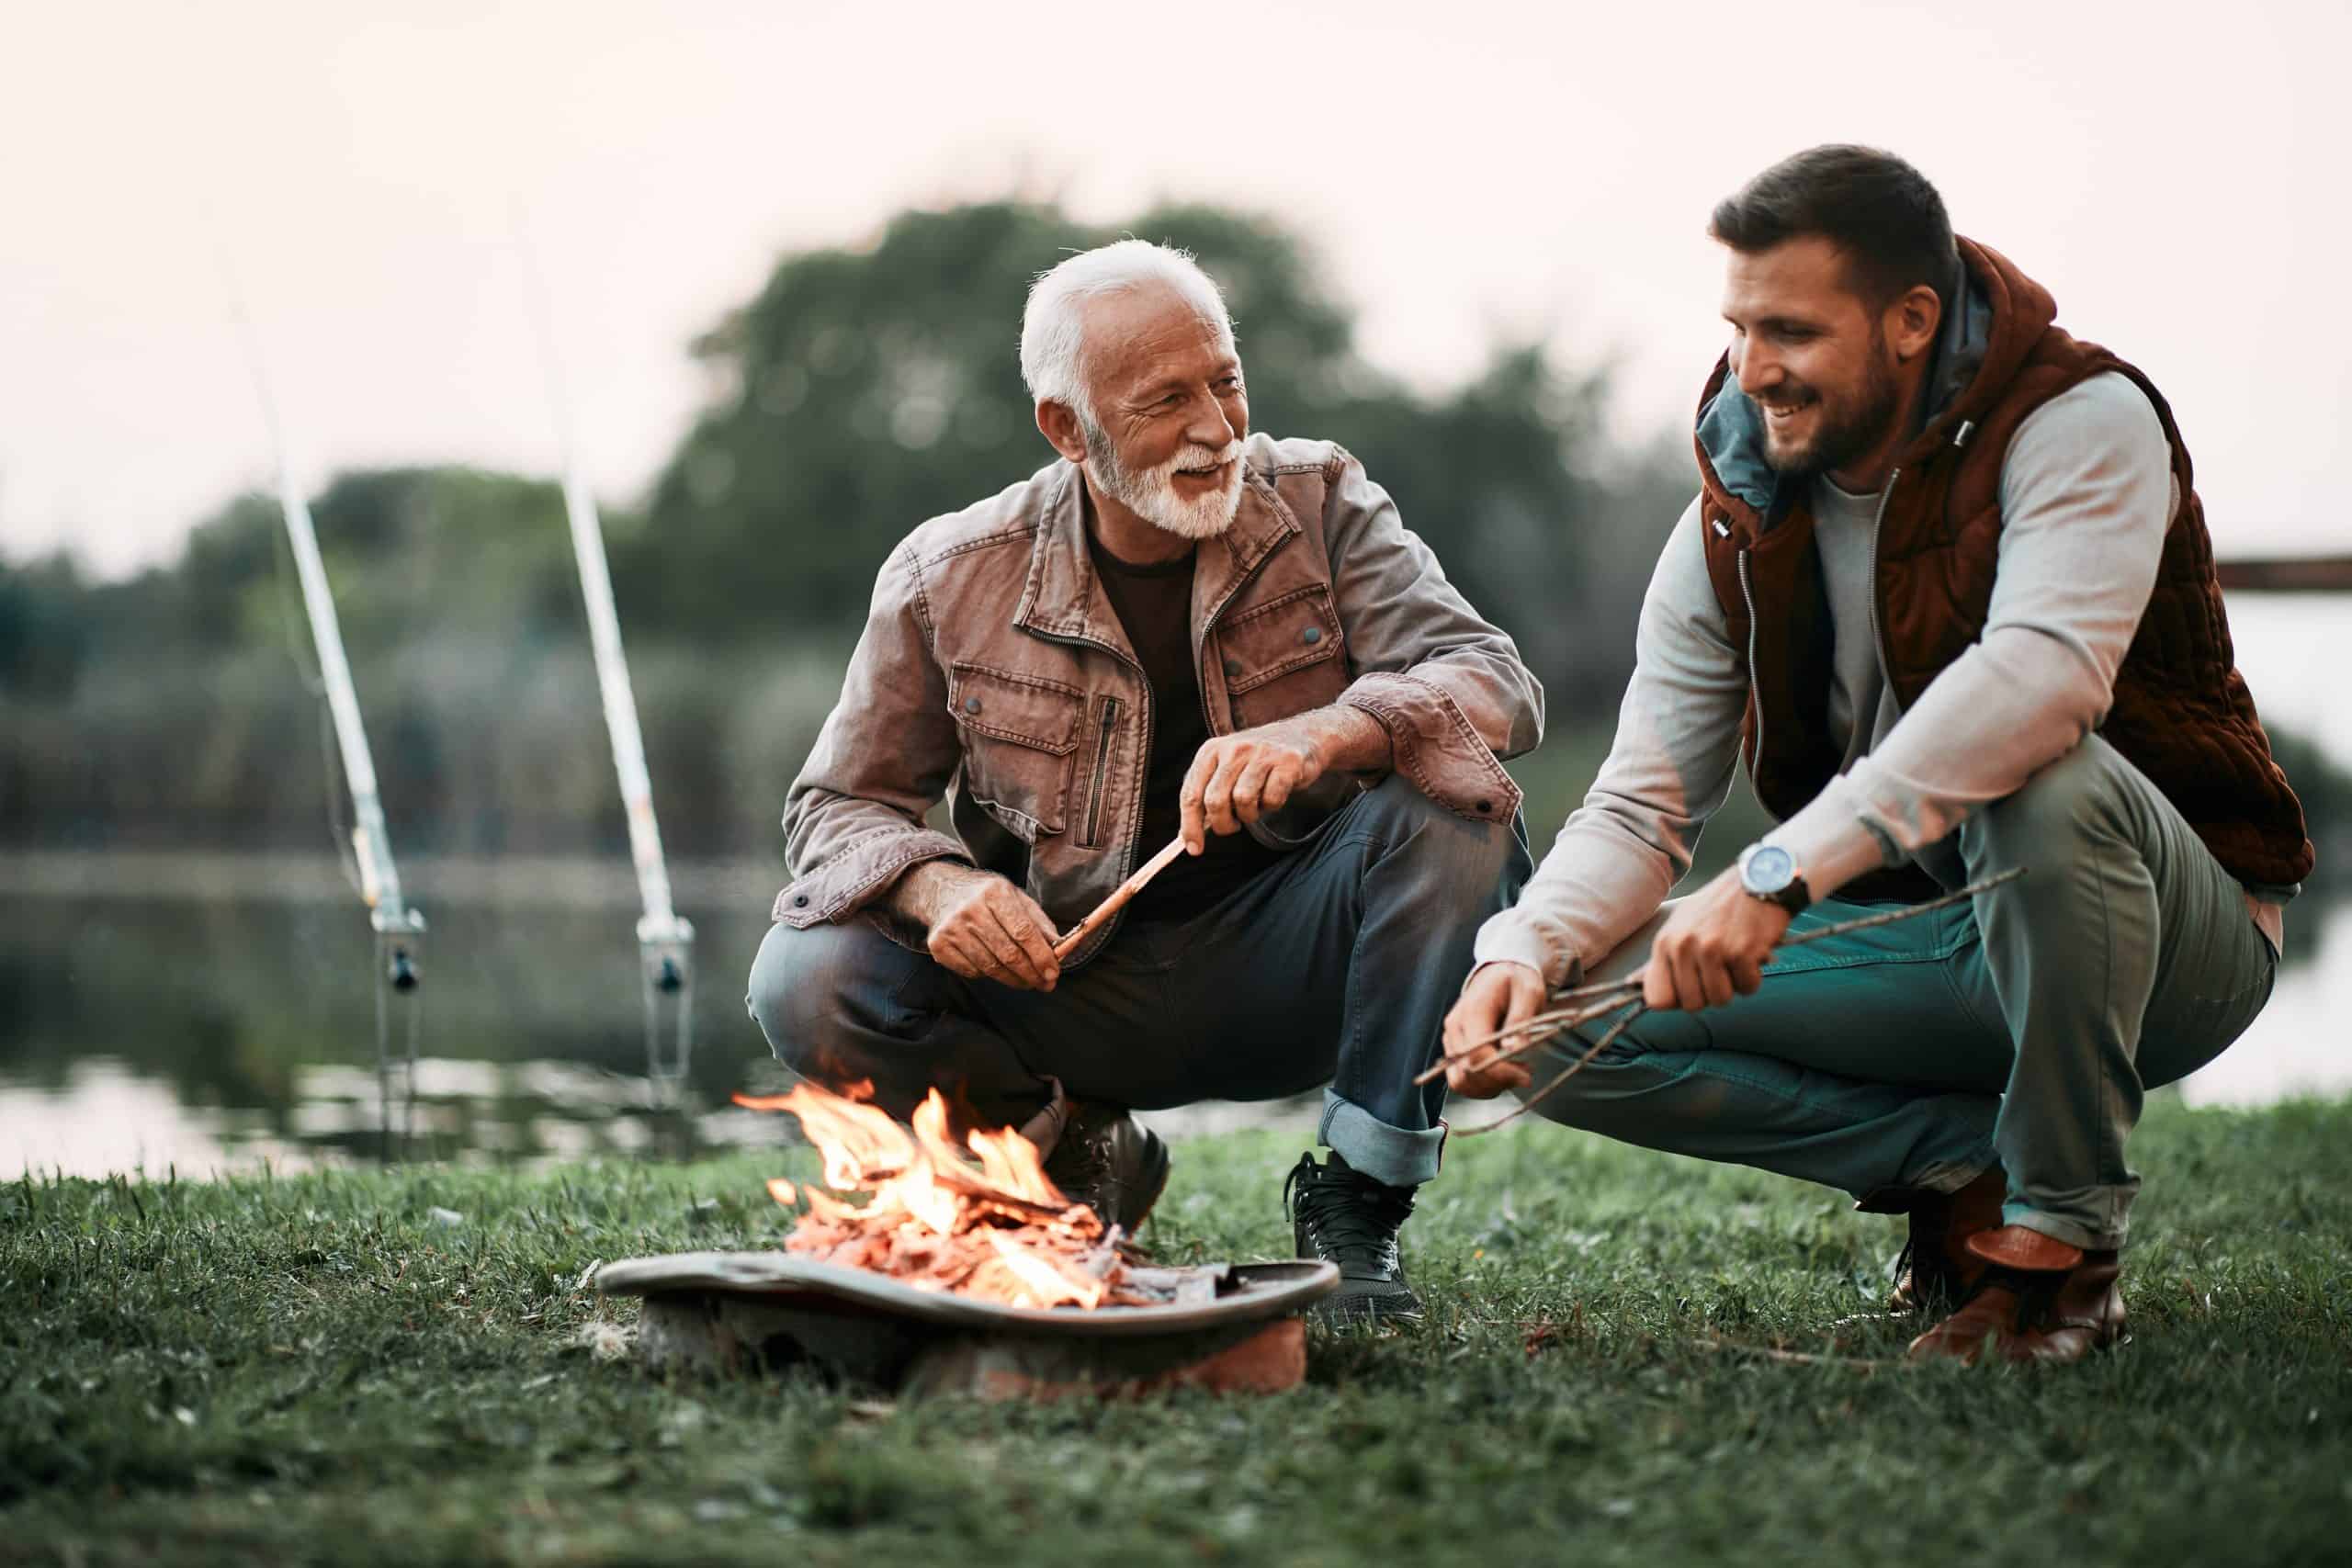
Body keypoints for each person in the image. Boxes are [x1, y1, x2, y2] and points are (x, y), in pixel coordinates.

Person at [1441, 146, 2310, 1364]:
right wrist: (1520, 947)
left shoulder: (2081, 422)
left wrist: (1776, 873)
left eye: (1791, 329)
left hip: (2167, 939)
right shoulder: (1737, 508)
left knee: (2044, 777)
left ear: (1911, 320)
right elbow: (1644, 802)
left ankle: (2066, 1248)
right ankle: (1965, 1171)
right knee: (1547, 1019)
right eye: (1739, 325)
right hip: (1918, 935)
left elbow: (2040, 682)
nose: (1751, 368)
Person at [750, 240, 1541, 1323]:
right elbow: (834, 807)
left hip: (1301, 973)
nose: (1216, 428)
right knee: (804, 972)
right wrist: (941, 888)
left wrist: (1329, 732)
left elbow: (1495, 684)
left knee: (1456, 809)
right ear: (1067, 428)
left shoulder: (1324, 498)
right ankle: (1071, 1148)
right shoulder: (946, 572)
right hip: (1065, 990)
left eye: (1225, 380)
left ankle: (1357, 1207)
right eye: (1167, 399)